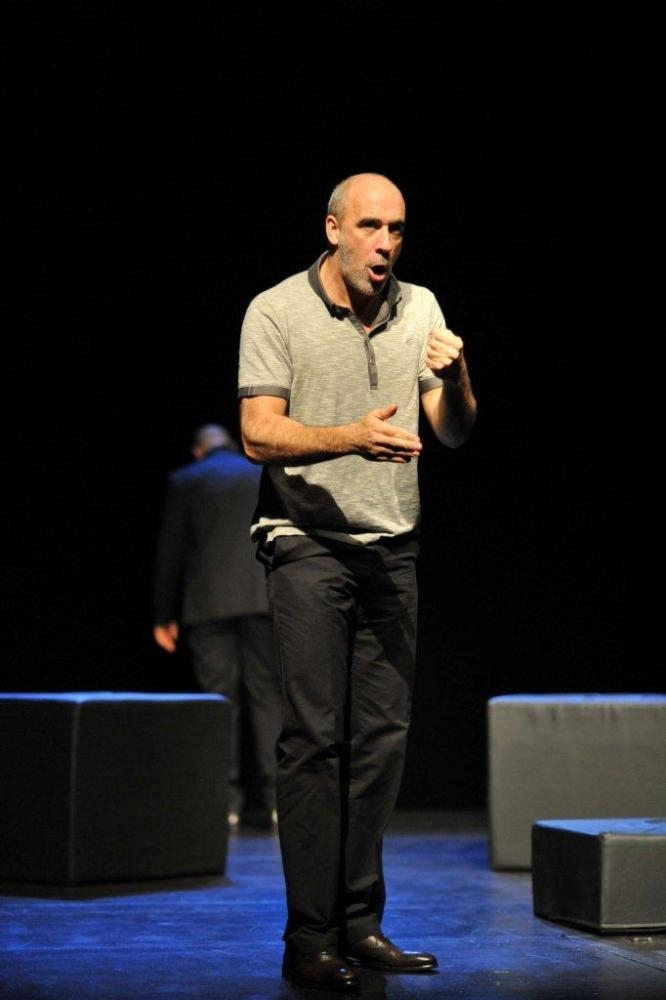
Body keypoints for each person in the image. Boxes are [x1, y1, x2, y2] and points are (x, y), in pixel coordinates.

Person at [237, 172, 477, 990]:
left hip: (391, 547)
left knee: (380, 742)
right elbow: (257, 434)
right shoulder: (276, 310)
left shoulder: (422, 307)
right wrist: (349, 437)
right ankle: (310, 936)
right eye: (370, 226)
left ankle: (360, 923)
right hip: (305, 541)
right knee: (315, 739)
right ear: (334, 229)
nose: (385, 244)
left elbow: (452, 430)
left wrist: (460, 377)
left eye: (397, 229)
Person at [152, 423, 282, 830]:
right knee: (268, 698)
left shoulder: (186, 479)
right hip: (261, 601)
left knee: (219, 701)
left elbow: (170, 551)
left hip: (207, 606)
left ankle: (225, 804)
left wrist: (163, 616)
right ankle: (278, 800)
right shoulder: (260, 471)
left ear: (199, 450)